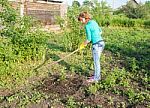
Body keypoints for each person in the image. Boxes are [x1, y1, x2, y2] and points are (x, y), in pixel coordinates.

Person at [78, 12, 105, 83]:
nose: (81, 22)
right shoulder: (94, 22)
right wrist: (96, 37)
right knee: (97, 61)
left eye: (81, 20)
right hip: (101, 43)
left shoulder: (87, 26)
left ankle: (96, 78)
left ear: (85, 18)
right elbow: (100, 31)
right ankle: (97, 75)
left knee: (96, 62)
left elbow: (88, 39)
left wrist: (82, 45)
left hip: (96, 45)